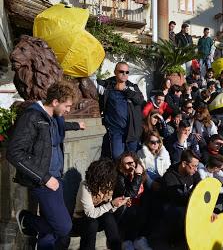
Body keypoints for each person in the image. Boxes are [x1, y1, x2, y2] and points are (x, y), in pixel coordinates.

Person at [8, 81, 85, 250]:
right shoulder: (33, 117)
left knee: (49, 233)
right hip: (43, 181)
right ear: (55, 102)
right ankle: (26, 219)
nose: (69, 110)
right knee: (64, 227)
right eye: (67, 106)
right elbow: (14, 153)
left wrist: (77, 126)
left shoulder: (54, 118)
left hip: (56, 177)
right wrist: (45, 178)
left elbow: (61, 128)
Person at [94, 62, 144, 159]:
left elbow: (140, 100)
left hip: (132, 129)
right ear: (115, 72)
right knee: (117, 157)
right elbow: (91, 82)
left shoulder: (132, 86)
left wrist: (125, 89)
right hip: (115, 130)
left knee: (132, 157)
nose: (124, 74)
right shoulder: (106, 85)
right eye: (121, 72)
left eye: (127, 72)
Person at [73, 159, 126, 250]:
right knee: (92, 223)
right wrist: (111, 204)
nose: (110, 180)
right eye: (108, 177)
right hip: (81, 220)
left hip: (98, 218)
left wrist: (118, 204)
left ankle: (116, 247)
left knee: (108, 217)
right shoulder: (85, 186)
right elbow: (90, 213)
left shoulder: (108, 185)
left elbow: (108, 209)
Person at [161, 150, 206, 245]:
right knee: (180, 212)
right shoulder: (169, 176)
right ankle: (174, 239)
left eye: (197, 166)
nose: (196, 169)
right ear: (184, 163)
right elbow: (176, 199)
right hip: (172, 205)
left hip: (188, 201)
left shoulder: (194, 173)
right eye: (193, 166)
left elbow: (201, 189)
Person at [112, 152, 152, 250]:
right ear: (121, 165)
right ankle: (128, 242)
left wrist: (138, 175)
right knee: (133, 211)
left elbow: (147, 189)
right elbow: (129, 194)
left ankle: (140, 240)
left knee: (150, 205)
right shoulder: (119, 176)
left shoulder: (141, 173)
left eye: (132, 162)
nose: (131, 165)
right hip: (122, 208)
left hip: (138, 206)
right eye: (127, 163)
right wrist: (137, 175)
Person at [198, 154, 223, 231]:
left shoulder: (216, 172)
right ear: (215, 168)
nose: (221, 169)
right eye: (220, 167)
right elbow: (207, 190)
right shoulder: (201, 172)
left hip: (214, 196)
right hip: (204, 199)